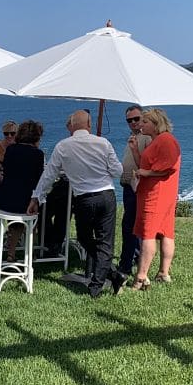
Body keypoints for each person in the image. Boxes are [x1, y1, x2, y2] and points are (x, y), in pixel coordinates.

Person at [28, 110, 123, 298]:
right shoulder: (103, 143)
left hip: (84, 198)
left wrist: (36, 197)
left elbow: (49, 175)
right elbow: (117, 171)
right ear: (89, 124)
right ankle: (111, 274)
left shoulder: (64, 146)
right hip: (106, 195)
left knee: (84, 238)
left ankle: (97, 285)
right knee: (105, 240)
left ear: (71, 126)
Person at [131, 108, 182, 290]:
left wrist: (147, 172)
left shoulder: (166, 140)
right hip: (161, 193)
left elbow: (167, 167)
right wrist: (136, 151)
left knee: (148, 233)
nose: (140, 125)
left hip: (157, 194)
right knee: (165, 232)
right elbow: (148, 164)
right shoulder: (158, 140)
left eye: (145, 122)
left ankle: (141, 277)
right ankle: (163, 273)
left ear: (156, 123)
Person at [0, 120, 45, 261]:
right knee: (36, 211)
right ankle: (32, 250)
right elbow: (39, 179)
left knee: (18, 218)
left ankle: (11, 251)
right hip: (26, 202)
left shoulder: (11, 150)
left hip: (5, 200)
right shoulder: (37, 154)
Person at [117, 105, 152, 277]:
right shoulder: (134, 137)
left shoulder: (145, 138)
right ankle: (135, 258)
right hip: (128, 186)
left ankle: (126, 263)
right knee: (132, 225)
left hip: (136, 187)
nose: (133, 123)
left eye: (136, 119)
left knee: (129, 225)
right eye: (129, 120)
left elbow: (145, 165)